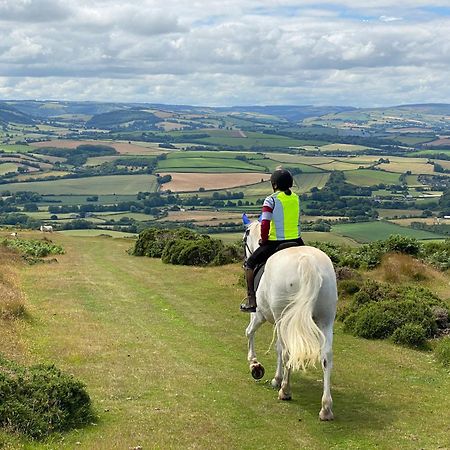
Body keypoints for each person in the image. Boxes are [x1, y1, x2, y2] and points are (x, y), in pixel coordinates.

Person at [240, 168, 304, 313]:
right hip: (297, 240)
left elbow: (265, 223)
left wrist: (263, 239)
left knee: (249, 264)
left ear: (274, 185)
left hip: (275, 242)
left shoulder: (271, 200)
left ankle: (251, 300)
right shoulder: (295, 198)